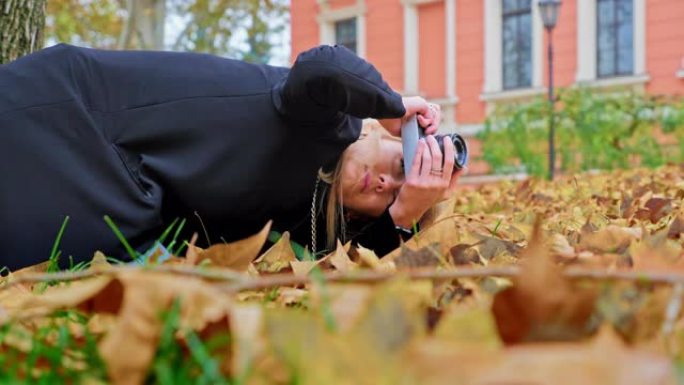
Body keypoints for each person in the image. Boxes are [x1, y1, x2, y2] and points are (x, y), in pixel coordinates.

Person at [0, 43, 461, 271]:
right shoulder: (325, 118)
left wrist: (405, 213)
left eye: (389, 197)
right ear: (382, 133)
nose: (384, 185)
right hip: (70, 119)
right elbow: (323, 67)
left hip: (105, 190)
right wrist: (394, 106)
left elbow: (335, 270)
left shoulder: (305, 221)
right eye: (400, 167)